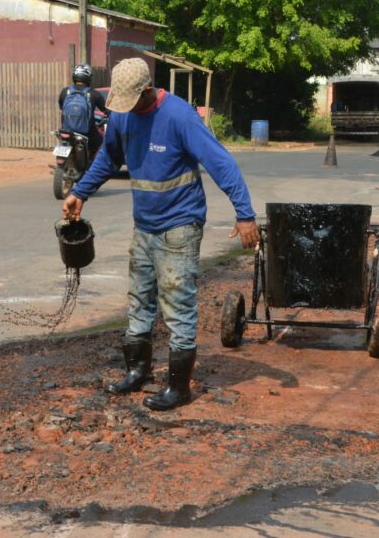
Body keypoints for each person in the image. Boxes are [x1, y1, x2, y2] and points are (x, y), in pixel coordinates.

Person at [62, 57, 260, 411]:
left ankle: (178, 387)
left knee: (178, 306)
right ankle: (137, 371)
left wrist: (245, 214)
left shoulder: (180, 116)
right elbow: (109, 157)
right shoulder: (123, 114)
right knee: (138, 300)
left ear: (148, 90)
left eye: (132, 103)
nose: (126, 110)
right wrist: (81, 192)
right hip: (145, 227)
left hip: (180, 228)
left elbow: (221, 163)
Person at [58, 63, 108, 159]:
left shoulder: (65, 91)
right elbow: (106, 110)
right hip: (87, 132)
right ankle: (94, 166)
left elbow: (61, 106)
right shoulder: (94, 94)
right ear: (88, 77)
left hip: (66, 130)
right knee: (101, 143)